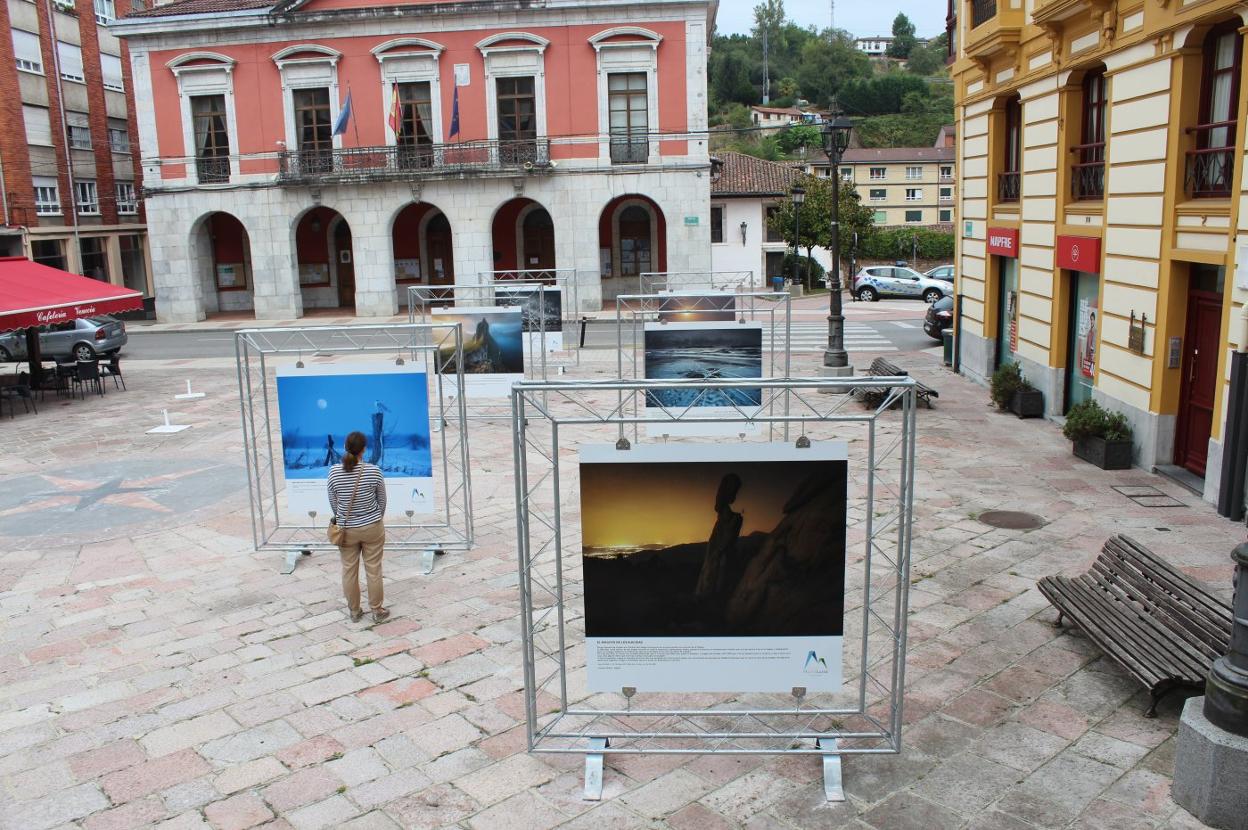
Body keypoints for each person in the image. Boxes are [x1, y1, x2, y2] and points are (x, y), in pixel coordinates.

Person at [327, 431, 390, 624]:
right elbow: (382, 500)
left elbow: (334, 503)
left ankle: (354, 611)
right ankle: (377, 610)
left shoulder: (334, 472)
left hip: (346, 530)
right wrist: (375, 517)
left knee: (349, 570)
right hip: (372, 527)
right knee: (373, 569)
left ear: (346, 447)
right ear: (364, 449)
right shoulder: (374, 471)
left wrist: (346, 517)